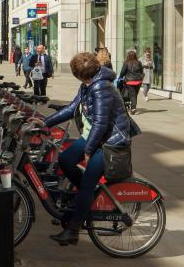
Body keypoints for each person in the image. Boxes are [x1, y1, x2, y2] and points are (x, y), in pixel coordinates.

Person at [43, 51, 132, 246]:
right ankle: (86, 197)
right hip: (93, 136)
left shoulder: (101, 87)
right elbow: (72, 108)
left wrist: (88, 151)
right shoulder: (87, 84)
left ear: (81, 75)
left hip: (110, 142)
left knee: (87, 183)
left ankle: (73, 229)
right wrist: (45, 123)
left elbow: (101, 124)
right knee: (65, 160)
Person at [118, 49, 143, 113]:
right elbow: (141, 71)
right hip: (138, 81)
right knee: (135, 95)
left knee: (132, 95)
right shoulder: (139, 62)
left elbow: (122, 72)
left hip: (129, 81)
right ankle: (133, 107)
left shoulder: (126, 63)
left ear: (128, 56)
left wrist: (120, 77)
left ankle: (133, 108)